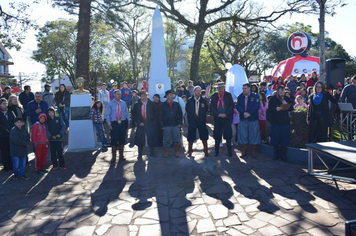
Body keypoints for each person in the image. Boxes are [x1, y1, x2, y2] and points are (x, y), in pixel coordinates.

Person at [268, 85, 294, 161]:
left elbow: (292, 108)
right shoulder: (273, 99)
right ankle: (276, 154)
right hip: (275, 122)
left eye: (283, 92)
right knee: (275, 138)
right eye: (280, 92)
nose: (282, 94)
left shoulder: (287, 99)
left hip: (285, 122)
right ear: (277, 92)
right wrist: (275, 109)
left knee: (284, 138)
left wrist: (286, 104)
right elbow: (269, 110)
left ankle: (283, 154)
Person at [236, 83, 261, 158]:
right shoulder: (240, 96)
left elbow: (256, 106)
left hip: (253, 118)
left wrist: (249, 113)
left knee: (254, 135)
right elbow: (238, 105)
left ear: (249, 88)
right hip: (243, 118)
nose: (243, 90)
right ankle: (244, 151)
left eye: (245, 88)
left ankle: (253, 152)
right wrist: (244, 113)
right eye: (243, 88)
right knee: (243, 135)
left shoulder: (255, 96)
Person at [105, 89, 130, 162]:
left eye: (120, 94)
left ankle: (121, 155)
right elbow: (107, 114)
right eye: (118, 94)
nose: (119, 95)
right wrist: (109, 124)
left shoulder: (123, 103)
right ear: (114, 95)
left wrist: (128, 122)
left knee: (122, 139)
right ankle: (114, 156)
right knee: (114, 140)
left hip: (122, 123)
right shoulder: (110, 103)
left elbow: (127, 112)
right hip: (114, 123)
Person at [210, 82, 234, 157]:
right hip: (217, 118)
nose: (220, 89)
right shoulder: (214, 96)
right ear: (217, 88)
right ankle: (216, 151)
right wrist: (218, 114)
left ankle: (229, 151)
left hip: (226, 118)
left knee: (228, 134)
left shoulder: (228, 95)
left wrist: (226, 114)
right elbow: (212, 107)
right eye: (219, 88)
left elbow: (231, 106)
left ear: (224, 88)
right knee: (217, 134)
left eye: (221, 88)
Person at [185, 86, 209, 157]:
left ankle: (205, 151)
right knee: (191, 137)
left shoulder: (204, 101)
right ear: (194, 91)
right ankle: (190, 151)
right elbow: (187, 109)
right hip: (192, 121)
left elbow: (206, 109)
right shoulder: (189, 100)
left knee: (204, 136)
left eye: (199, 91)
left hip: (201, 121)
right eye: (197, 91)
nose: (198, 92)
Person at [133, 91, 156, 158]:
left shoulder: (151, 104)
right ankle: (140, 153)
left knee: (151, 137)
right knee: (140, 138)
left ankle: (152, 152)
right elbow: (134, 115)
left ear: (147, 96)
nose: (143, 97)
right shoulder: (137, 105)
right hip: (141, 123)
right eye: (141, 96)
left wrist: (153, 121)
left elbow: (155, 114)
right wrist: (139, 122)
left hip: (150, 123)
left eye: (144, 96)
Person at [160, 89, 183, 158]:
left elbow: (181, 114)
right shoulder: (163, 105)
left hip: (176, 124)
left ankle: (177, 151)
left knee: (177, 139)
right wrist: (162, 125)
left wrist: (180, 122)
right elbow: (160, 116)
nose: (171, 96)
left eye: (172, 94)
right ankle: (166, 152)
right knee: (166, 140)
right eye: (169, 95)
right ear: (166, 96)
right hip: (167, 125)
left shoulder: (176, 104)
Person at [0, 98, 12, 171]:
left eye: (6, 103)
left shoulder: (10, 112)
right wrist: (5, 128)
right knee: (4, 150)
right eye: (4, 104)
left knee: (10, 149)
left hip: (10, 133)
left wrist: (10, 128)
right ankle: (6, 165)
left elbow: (14, 120)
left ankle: (11, 164)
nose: (6, 105)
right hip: (2, 134)